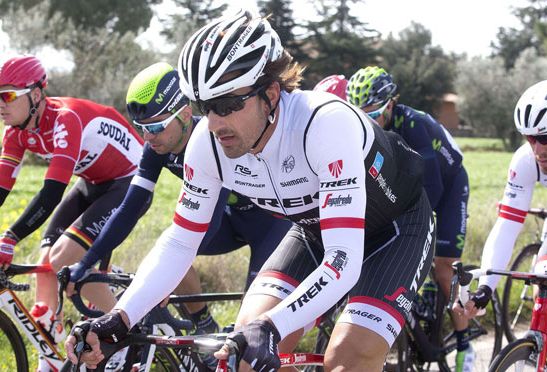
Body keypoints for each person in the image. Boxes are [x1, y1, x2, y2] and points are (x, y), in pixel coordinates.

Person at [65, 10, 436, 372]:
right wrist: (119, 317)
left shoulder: (324, 124)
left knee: (347, 358)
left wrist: (273, 326)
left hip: (395, 229)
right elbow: (180, 242)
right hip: (315, 230)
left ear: (271, 94)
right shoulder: (207, 143)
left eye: (226, 104)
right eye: (205, 106)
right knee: (243, 353)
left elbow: (344, 260)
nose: (213, 122)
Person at [68, 61, 293, 338]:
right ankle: (203, 325)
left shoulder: (213, 141)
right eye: (141, 128)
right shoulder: (155, 149)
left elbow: (207, 225)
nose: (149, 137)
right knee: (168, 246)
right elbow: (130, 207)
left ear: (186, 114)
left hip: (269, 226)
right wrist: (85, 262)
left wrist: (163, 281)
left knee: (250, 331)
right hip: (230, 222)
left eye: (158, 126)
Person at [0, 55, 145, 371]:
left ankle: (125, 336)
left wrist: (10, 236)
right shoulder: (16, 132)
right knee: (45, 260)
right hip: (94, 182)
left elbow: (52, 193)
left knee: (64, 257)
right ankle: (49, 350)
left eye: (7, 95)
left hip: (130, 183)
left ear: (36, 94)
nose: (1, 104)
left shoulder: (65, 119)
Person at [344, 65, 473, 370]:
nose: (367, 122)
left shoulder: (414, 124)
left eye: (373, 114)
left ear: (391, 103)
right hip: (412, 188)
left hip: (449, 184)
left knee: (443, 267)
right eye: (359, 115)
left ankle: (466, 347)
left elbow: (432, 189)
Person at [459, 79, 547, 371]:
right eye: (530, 138)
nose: (538, 149)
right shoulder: (526, 161)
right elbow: (506, 225)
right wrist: (486, 288)